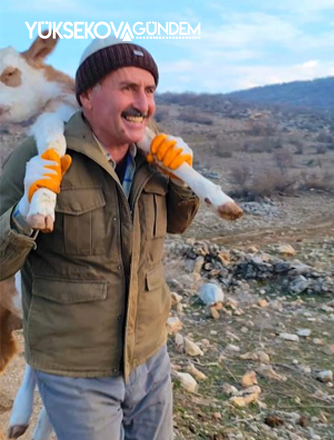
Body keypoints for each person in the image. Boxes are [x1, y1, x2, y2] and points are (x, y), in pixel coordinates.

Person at [0, 36, 199, 439]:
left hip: (149, 357)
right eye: (128, 88)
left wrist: (185, 178)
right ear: (87, 95)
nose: (142, 103)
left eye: (149, 90)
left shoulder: (151, 153)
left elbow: (177, 222)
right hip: (76, 370)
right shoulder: (34, 157)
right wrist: (24, 215)